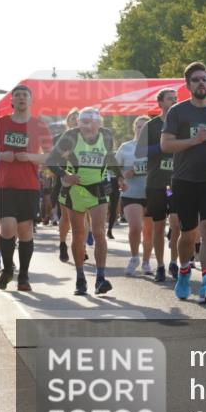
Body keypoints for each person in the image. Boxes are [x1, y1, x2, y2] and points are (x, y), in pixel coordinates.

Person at [160, 62, 206, 304]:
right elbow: (166, 145)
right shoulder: (178, 112)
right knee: (188, 233)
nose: (200, 83)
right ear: (188, 84)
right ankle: (184, 271)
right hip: (184, 180)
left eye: (204, 79)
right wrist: (193, 141)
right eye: (195, 80)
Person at [46, 107, 119, 296]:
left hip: (98, 190)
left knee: (98, 232)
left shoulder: (107, 136)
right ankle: (80, 278)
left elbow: (109, 157)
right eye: (83, 122)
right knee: (78, 234)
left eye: (91, 122)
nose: (86, 126)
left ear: (99, 123)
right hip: (75, 191)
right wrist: (65, 175)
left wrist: (121, 178)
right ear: (78, 123)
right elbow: (52, 160)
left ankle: (101, 278)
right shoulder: (71, 136)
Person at [0, 84, 52, 291]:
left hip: (28, 185)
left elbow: (49, 155)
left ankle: (24, 276)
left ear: (31, 100)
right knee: (8, 226)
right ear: (12, 100)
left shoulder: (39, 126)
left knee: (25, 230)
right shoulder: (0, 123)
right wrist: (1, 155)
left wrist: (29, 156)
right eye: (17, 95)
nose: (21, 98)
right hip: (4, 185)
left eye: (24, 95)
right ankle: (8, 269)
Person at [137, 88, 181, 282]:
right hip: (156, 183)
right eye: (170, 99)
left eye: (176, 99)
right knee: (159, 224)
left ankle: (174, 262)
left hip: (177, 183)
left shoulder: (182, 124)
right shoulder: (152, 125)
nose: (174, 101)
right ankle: (161, 266)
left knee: (177, 222)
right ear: (160, 103)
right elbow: (139, 152)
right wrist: (161, 147)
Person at [116, 116, 154, 277]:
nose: (141, 129)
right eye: (138, 127)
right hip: (131, 192)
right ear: (134, 128)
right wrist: (123, 176)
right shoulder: (125, 147)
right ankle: (134, 257)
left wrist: (169, 192)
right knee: (135, 227)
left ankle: (146, 262)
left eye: (144, 127)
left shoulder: (156, 147)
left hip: (152, 193)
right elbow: (114, 170)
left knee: (149, 231)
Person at [53, 108, 80, 262]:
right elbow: (52, 159)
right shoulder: (59, 138)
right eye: (72, 118)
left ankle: (80, 247)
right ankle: (63, 243)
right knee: (66, 217)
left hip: (84, 179)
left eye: (78, 118)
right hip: (64, 178)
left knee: (84, 217)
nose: (75, 120)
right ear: (67, 121)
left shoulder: (88, 138)